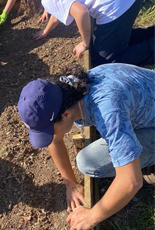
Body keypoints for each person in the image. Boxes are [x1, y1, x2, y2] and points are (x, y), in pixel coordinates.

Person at [18, 63, 155, 229]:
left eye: (48, 130)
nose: (50, 135)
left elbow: (131, 181)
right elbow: (56, 139)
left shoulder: (107, 111)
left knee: (89, 163)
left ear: (66, 114)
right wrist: (70, 183)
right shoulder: (70, 86)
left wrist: (92, 216)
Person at [33, 0, 154, 67]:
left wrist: (85, 43)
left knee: (105, 61)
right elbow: (58, 14)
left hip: (118, 1)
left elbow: (82, 13)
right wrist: (46, 31)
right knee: (112, 40)